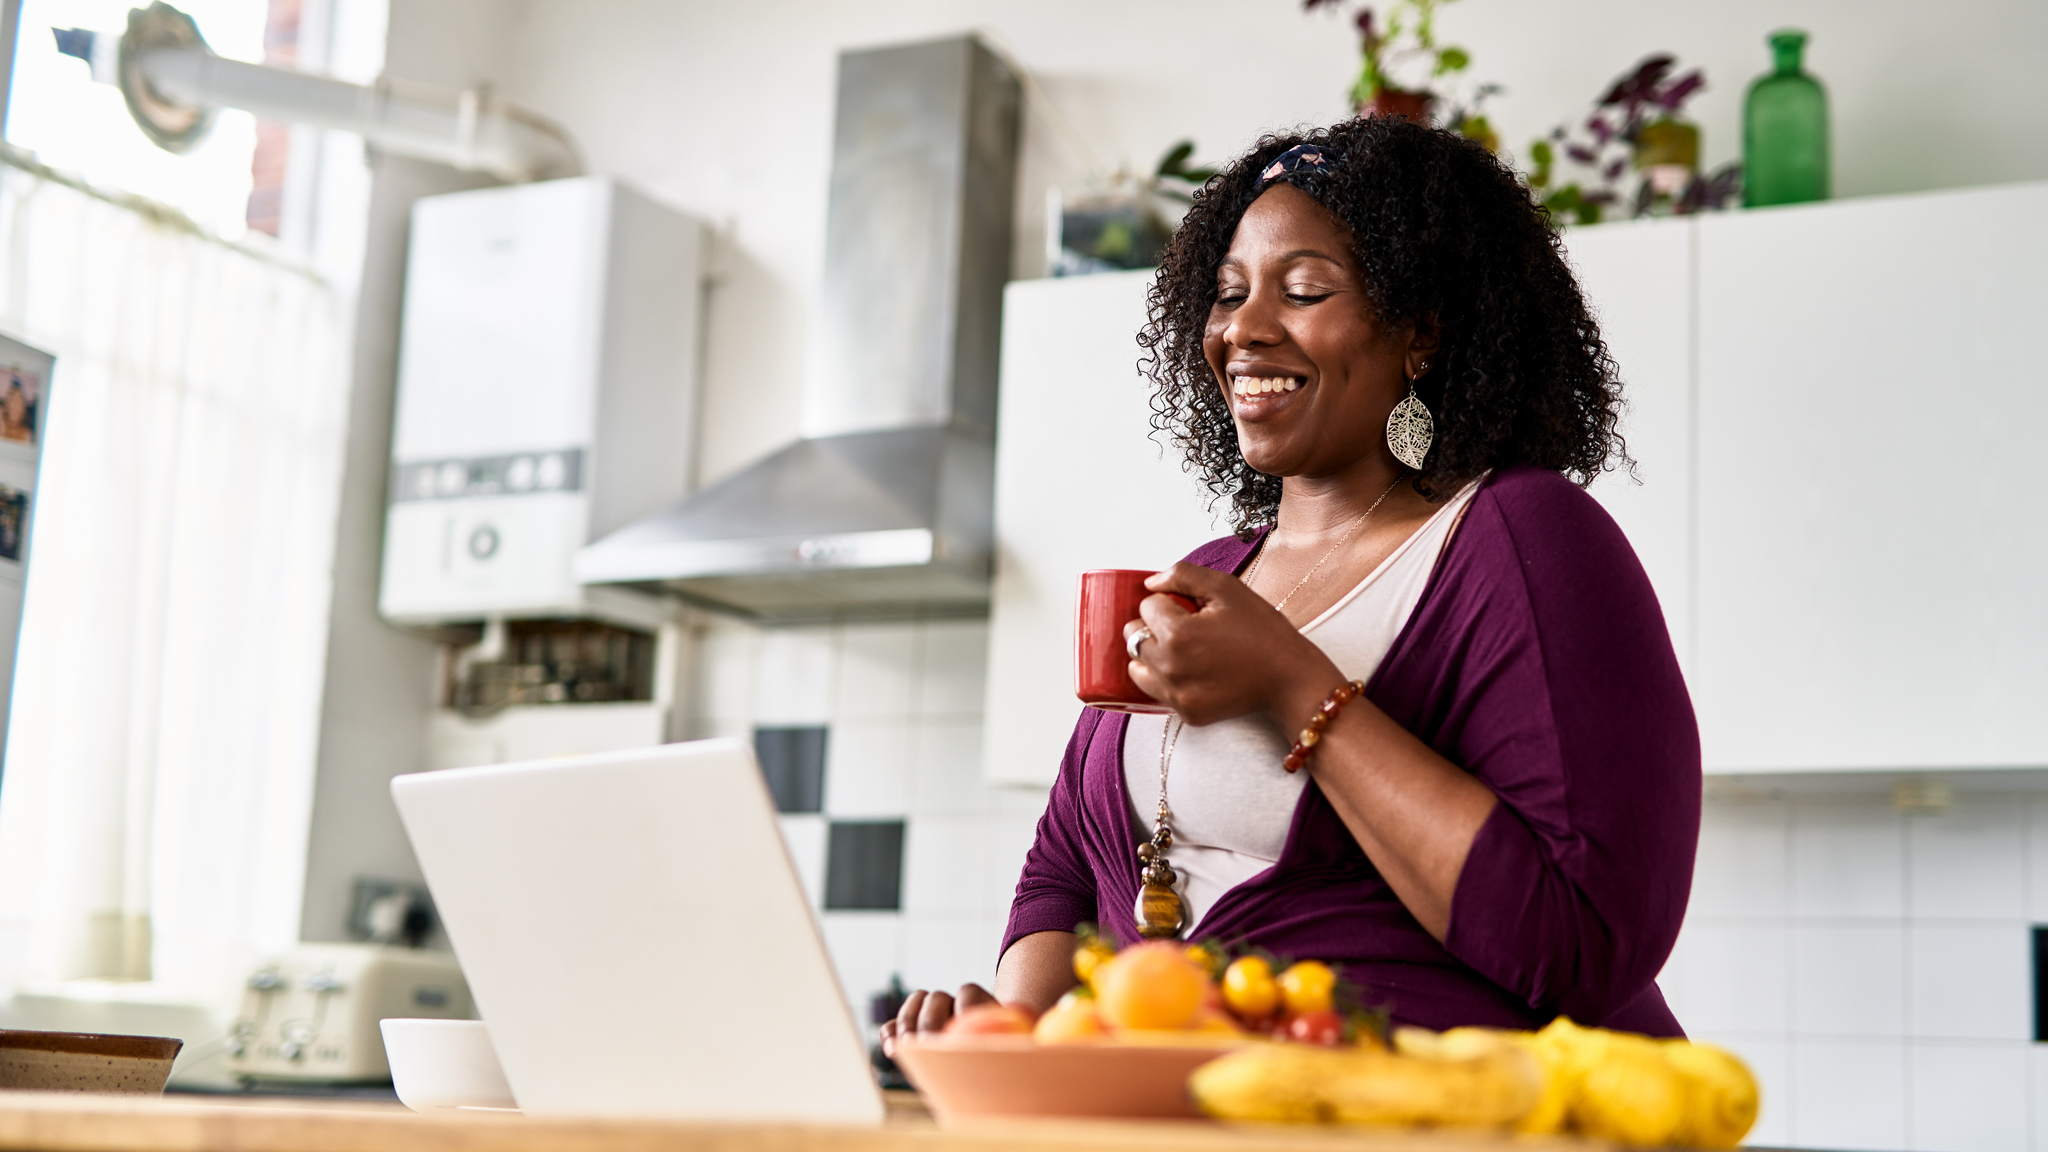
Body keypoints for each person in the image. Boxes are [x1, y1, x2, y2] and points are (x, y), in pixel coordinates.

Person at [882, 116, 1699, 1053]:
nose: (1244, 331)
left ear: (1420, 333)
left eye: (1305, 291)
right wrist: (1017, 1030)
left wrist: (1293, 685)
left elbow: (1583, 937)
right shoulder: (1215, 574)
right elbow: (1066, 865)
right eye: (1228, 295)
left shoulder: (1520, 538)